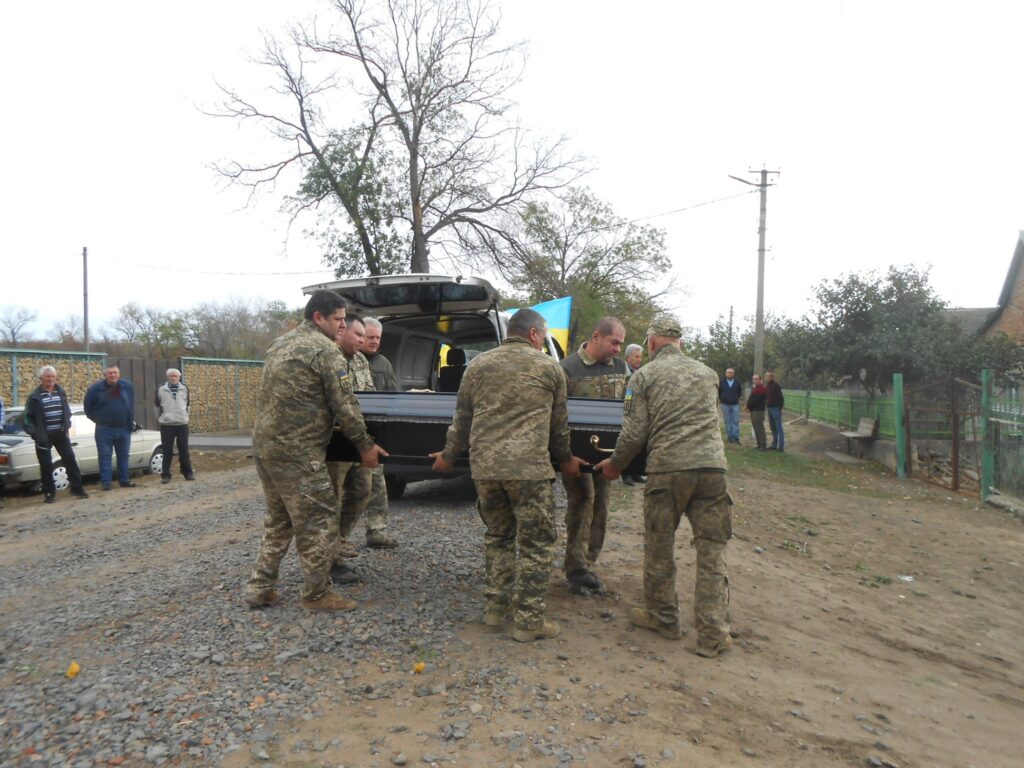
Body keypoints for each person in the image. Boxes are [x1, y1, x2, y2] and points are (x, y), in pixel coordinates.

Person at [430, 308, 586, 642]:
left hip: (485, 470)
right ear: (533, 334)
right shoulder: (549, 368)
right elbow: (559, 428)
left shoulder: (479, 366)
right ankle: (529, 621)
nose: (544, 342)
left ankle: (495, 610)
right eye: (544, 336)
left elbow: (462, 419)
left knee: (498, 537)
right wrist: (567, 460)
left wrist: (447, 456)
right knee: (536, 543)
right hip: (528, 472)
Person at [595, 313, 733, 658]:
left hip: (668, 469)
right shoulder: (708, 374)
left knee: (660, 546)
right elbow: (715, 422)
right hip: (713, 470)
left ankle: (663, 618)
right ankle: (713, 634)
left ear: (652, 342)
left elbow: (634, 432)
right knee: (712, 551)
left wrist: (615, 465)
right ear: (681, 342)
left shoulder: (643, 376)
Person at [244, 291, 387, 612]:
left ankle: (260, 587)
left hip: (265, 448)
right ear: (318, 317)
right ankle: (317, 594)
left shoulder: (278, 345)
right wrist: (365, 445)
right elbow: (345, 405)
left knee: (279, 521)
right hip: (298, 452)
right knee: (320, 519)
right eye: (338, 319)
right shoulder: (326, 352)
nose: (342, 326)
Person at [560, 317, 629, 591]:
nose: (617, 349)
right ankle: (576, 569)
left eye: (621, 344)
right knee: (582, 503)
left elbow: (629, 406)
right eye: (614, 342)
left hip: (607, 455)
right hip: (576, 456)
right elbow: (556, 415)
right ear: (596, 336)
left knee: (600, 506)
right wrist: (564, 456)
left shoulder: (622, 368)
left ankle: (589, 562)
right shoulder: (567, 368)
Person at [328, 316, 377, 583]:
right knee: (332, 500)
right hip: (334, 443)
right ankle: (330, 559)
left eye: (364, 336)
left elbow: (370, 395)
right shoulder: (328, 356)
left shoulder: (359, 361)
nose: (361, 340)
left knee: (361, 491)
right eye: (358, 335)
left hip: (359, 438)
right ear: (343, 331)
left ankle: (341, 539)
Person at [24, 366, 90, 502]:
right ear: (41, 378)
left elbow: (67, 411)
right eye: (48, 376)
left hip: (60, 433)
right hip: (43, 435)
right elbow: (26, 418)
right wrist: (35, 433)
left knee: (70, 460)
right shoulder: (34, 397)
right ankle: (49, 494)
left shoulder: (61, 392)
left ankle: (77, 489)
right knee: (46, 465)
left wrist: (67, 424)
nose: (51, 379)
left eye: (53, 376)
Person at [361, 317, 399, 550]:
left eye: (377, 338)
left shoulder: (384, 364)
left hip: (377, 434)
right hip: (351, 432)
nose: (374, 342)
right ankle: (339, 540)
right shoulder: (346, 359)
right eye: (370, 337)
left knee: (377, 486)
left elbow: (394, 395)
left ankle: (377, 532)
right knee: (351, 491)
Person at [84, 365, 137, 491]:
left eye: (115, 373)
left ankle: (124, 480)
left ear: (119, 374)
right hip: (104, 429)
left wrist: (130, 420)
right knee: (104, 456)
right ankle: (106, 483)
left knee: (124, 455)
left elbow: (131, 404)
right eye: (110, 373)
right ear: (105, 375)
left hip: (124, 428)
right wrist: (98, 420)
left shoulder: (127, 386)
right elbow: (88, 408)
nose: (113, 375)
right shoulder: (95, 389)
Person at [154, 368, 195, 484]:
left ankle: (188, 473)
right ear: (167, 377)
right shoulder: (161, 389)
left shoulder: (185, 389)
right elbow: (157, 406)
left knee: (184, 450)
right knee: (167, 450)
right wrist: (161, 418)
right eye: (171, 376)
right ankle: (166, 475)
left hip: (182, 424)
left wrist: (185, 417)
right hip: (167, 425)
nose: (173, 378)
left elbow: (188, 404)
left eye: (175, 376)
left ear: (179, 377)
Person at [718, 367, 743, 444]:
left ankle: (736, 438)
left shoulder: (737, 382)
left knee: (735, 421)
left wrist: (734, 398)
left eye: (731, 372)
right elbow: (719, 392)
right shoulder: (722, 382)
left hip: (735, 404)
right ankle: (730, 437)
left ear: (733, 373)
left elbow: (739, 393)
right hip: (725, 404)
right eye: (728, 372)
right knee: (727, 421)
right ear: (726, 374)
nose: (730, 374)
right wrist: (723, 399)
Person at [746, 373, 768, 451]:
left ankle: (763, 446)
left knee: (759, 428)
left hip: (758, 411)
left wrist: (749, 406)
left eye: (756, 379)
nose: (754, 381)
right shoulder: (755, 388)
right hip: (754, 410)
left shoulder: (761, 389)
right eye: (753, 379)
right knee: (756, 428)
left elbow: (755, 400)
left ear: (760, 380)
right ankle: (759, 445)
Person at [765, 370, 785, 452]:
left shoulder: (776, 385)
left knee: (779, 427)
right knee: (772, 427)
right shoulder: (767, 385)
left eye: (770, 376)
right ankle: (774, 444)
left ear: (773, 377)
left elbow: (781, 398)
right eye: (767, 376)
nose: (769, 377)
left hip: (775, 408)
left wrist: (779, 408)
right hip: (769, 408)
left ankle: (781, 446)